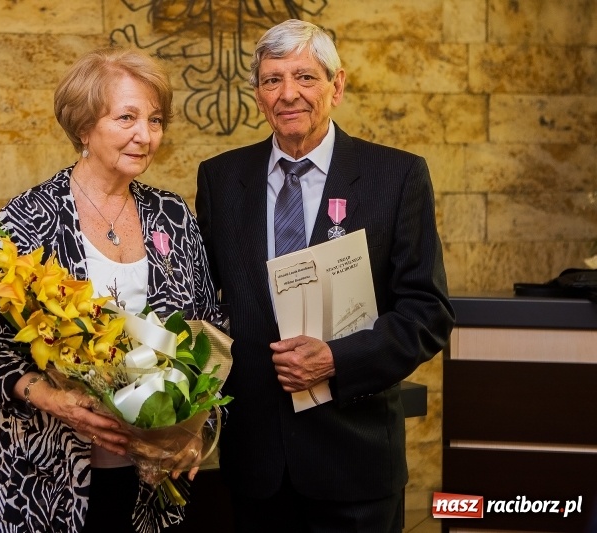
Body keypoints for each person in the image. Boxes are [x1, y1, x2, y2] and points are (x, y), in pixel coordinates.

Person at [195, 19, 455, 533]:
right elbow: (207, 303)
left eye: (305, 77)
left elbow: (428, 313)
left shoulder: (397, 177)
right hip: (255, 467)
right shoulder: (220, 178)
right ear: (258, 94)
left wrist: (337, 359)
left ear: (337, 85)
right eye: (272, 80)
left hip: (355, 464)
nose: (287, 94)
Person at [0, 47, 217, 533]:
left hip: (150, 484)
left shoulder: (174, 216)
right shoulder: (26, 220)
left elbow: (208, 330)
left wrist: (194, 428)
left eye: (155, 120)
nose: (145, 136)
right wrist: (52, 399)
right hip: (44, 477)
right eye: (127, 117)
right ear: (84, 128)